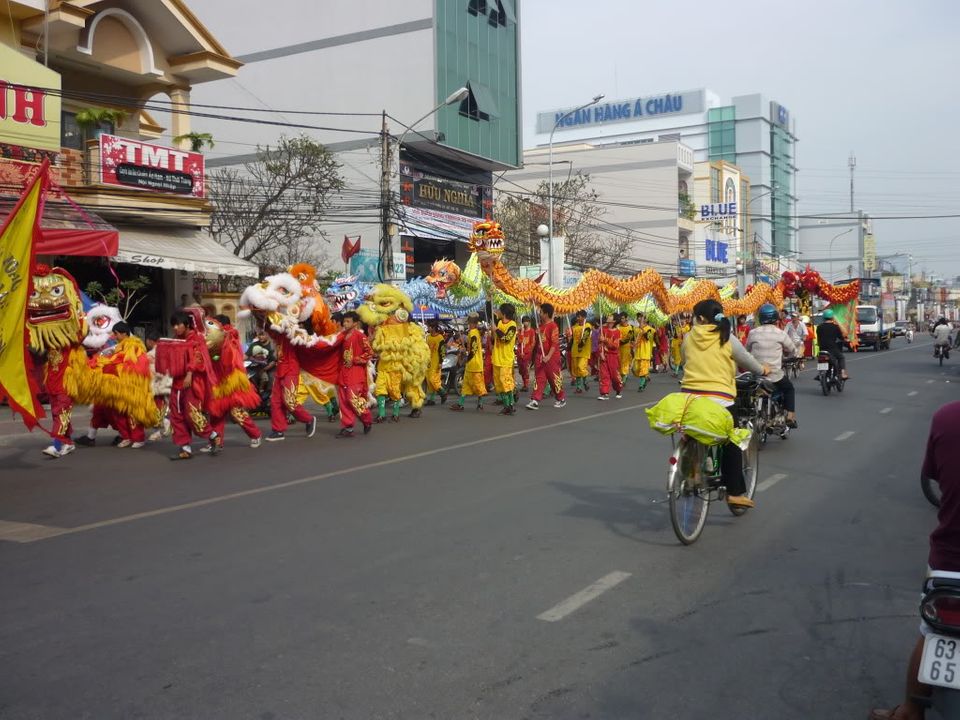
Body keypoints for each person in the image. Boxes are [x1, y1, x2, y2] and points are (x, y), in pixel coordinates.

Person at [869, 401, 960, 720]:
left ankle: (909, 710)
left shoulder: (947, 417)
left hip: (951, 561)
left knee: (933, 633)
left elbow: (933, 476)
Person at [681, 299, 769, 509]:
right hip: (719, 398)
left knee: (691, 431)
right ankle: (735, 493)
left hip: (690, 398)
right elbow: (747, 361)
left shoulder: (688, 337)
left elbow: (685, 360)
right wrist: (762, 370)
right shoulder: (727, 337)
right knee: (733, 440)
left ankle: (691, 471)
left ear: (700, 318)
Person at [158, 310, 221, 460]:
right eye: (173, 325)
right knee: (176, 415)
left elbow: (198, 358)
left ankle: (212, 435)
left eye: (178, 324)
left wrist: (189, 373)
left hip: (193, 381)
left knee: (191, 414)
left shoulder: (197, 338)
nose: (175, 328)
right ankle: (185, 447)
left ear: (186, 325)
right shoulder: (176, 339)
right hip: (177, 382)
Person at [746, 304, 799, 428]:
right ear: (776, 318)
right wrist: (789, 355)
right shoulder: (780, 333)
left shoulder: (753, 333)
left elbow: (746, 351)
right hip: (774, 375)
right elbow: (793, 350)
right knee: (789, 389)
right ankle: (790, 416)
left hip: (757, 375)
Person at [334, 311, 374, 438]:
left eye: (348, 321)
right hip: (343, 373)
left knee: (353, 399)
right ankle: (348, 427)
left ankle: (367, 420)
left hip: (355, 374)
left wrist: (355, 359)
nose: (345, 323)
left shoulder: (360, 336)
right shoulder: (341, 336)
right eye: (344, 321)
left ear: (355, 323)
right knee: (344, 401)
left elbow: (369, 353)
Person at [526, 303, 566, 410]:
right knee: (539, 378)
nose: (539, 313)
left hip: (551, 357)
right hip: (540, 357)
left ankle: (560, 398)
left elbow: (554, 343)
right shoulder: (541, 327)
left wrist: (548, 356)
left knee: (554, 379)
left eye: (541, 312)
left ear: (546, 314)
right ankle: (535, 400)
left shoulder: (553, 326)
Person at [451, 313, 486, 412]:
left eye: (469, 323)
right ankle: (460, 404)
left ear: (473, 323)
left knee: (478, 386)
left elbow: (474, 349)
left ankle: (480, 403)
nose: (468, 325)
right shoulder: (473, 332)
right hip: (472, 364)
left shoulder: (473, 333)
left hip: (475, 364)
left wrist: (468, 357)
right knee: (465, 385)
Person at [492, 303, 518, 415]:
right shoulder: (498, 322)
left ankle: (511, 404)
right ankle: (506, 405)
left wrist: (496, 330)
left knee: (505, 382)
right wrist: (488, 299)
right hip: (496, 358)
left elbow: (506, 339)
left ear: (504, 313)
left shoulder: (512, 325)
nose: (498, 312)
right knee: (498, 385)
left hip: (506, 360)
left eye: (499, 310)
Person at [816, 309, 849, 380]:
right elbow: (840, 337)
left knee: (821, 360)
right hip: (832, 349)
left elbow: (819, 338)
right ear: (832, 317)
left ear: (823, 317)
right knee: (841, 357)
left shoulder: (819, 327)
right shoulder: (835, 327)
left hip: (822, 349)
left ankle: (820, 373)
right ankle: (843, 373)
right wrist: (845, 339)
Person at [597, 314, 623, 400]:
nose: (608, 323)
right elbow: (600, 343)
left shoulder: (617, 332)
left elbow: (615, 345)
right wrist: (601, 353)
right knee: (604, 375)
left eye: (610, 322)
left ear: (614, 322)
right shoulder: (602, 330)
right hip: (604, 355)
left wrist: (605, 340)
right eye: (607, 322)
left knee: (614, 376)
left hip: (613, 356)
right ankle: (605, 393)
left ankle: (618, 389)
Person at [569, 310, 593, 393]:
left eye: (579, 316)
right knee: (576, 370)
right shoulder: (574, 327)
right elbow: (572, 339)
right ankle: (579, 387)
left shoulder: (588, 326)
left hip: (584, 351)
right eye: (577, 316)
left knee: (581, 367)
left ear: (584, 317)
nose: (578, 318)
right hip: (575, 351)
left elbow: (585, 336)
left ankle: (585, 380)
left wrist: (581, 346)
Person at [424, 320, 446, 406]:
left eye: (429, 326)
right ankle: (431, 400)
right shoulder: (428, 337)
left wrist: (441, 362)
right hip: (429, 362)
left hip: (436, 362)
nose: (428, 328)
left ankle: (443, 393)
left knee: (433, 380)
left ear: (433, 328)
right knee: (429, 381)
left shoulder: (440, 338)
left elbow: (443, 351)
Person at [632, 312, 656, 392]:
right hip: (638, 353)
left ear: (645, 319)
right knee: (636, 370)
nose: (640, 319)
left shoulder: (649, 329)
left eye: (641, 317)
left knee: (642, 370)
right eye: (638, 317)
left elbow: (648, 337)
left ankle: (641, 385)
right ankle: (646, 377)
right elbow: (633, 340)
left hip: (645, 353)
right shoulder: (635, 329)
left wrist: (643, 329)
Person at [516, 315, 535, 392]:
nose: (525, 323)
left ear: (529, 322)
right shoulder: (520, 331)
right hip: (520, 353)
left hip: (527, 354)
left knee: (526, 369)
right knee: (521, 370)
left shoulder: (532, 331)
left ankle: (526, 385)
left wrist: (528, 351)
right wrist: (521, 334)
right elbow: (518, 341)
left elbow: (533, 342)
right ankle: (524, 383)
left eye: (526, 321)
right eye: (524, 321)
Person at [617, 312, 635, 388]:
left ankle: (623, 379)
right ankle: (621, 378)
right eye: (620, 318)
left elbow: (630, 339)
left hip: (626, 348)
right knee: (619, 363)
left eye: (623, 318)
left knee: (625, 363)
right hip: (618, 348)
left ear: (626, 318)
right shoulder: (617, 327)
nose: (621, 320)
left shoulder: (631, 328)